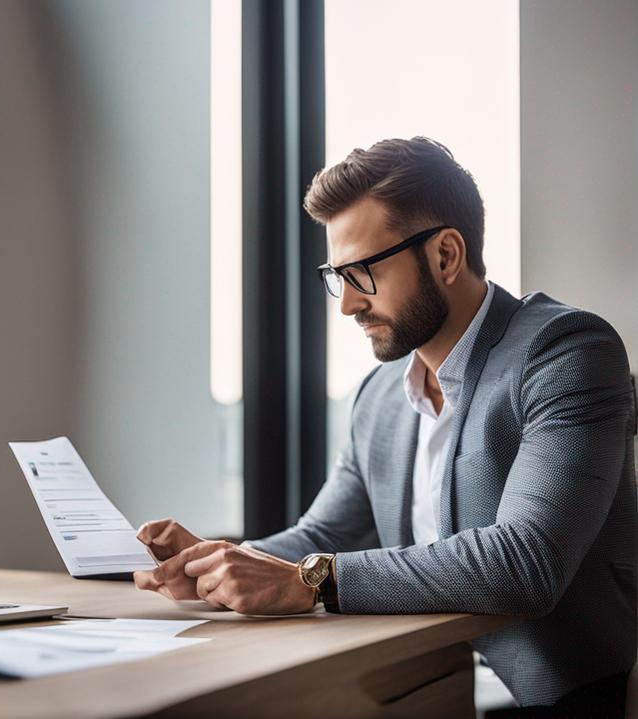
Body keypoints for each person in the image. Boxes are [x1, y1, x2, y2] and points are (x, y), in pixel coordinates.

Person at [133, 137, 636, 714]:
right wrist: (210, 563)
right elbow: (323, 540)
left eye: (363, 272)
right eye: (336, 275)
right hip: (409, 676)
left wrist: (310, 580)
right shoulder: (378, 396)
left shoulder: (566, 351)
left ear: (446, 255)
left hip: (549, 699)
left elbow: (524, 563)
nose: (346, 304)